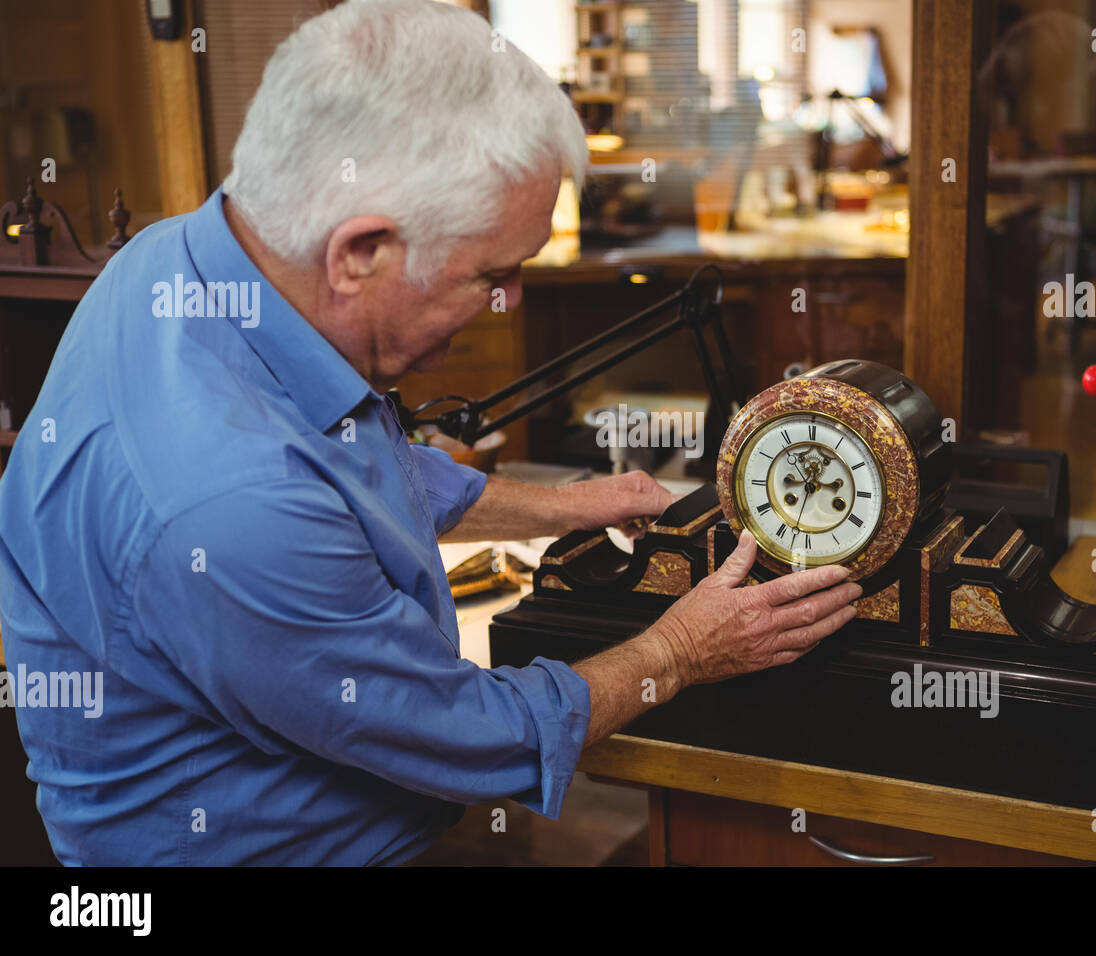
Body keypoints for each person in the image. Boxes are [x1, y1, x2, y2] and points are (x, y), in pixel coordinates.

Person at [0, 0, 860, 865]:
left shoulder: (182, 258)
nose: (513, 301)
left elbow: (353, 469)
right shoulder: (229, 511)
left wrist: (568, 505)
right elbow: (469, 736)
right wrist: (679, 650)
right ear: (359, 253)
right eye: (496, 274)